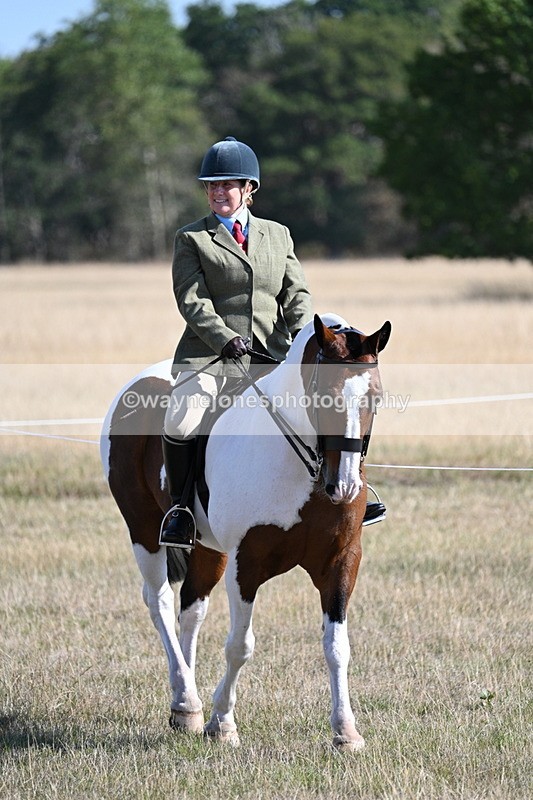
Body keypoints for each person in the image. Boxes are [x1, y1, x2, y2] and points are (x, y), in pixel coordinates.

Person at [160, 136, 385, 548]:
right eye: (211, 185)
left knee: (331, 406)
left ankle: (351, 494)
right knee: (181, 418)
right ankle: (181, 510)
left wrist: (307, 340)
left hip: (273, 356)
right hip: (210, 358)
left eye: (226, 184)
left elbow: (295, 295)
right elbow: (191, 300)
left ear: (249, 189)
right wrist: (224, 337)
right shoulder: (192, 238)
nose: (217, 192)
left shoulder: (278, 236)